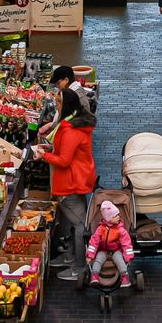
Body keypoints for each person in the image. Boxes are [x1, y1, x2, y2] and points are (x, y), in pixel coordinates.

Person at [38, 88, 97, 281]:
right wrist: (50, 149)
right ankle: (71, 257)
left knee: (80, 225)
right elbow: (66, 151)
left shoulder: (71, 130)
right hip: (78, 179)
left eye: (59, 102)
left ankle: (79, 267)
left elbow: (64, 160)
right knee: (77, 222)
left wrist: (44, 155)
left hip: (69, 182)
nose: (56, 106)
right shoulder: (74, 125)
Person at [86, 200, 135, 289]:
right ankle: (94, 275)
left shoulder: (121, 230)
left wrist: (129, 258)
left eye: (118, 215)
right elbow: (94, 242)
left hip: (116, 251)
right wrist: (90, 255)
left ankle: (124, 276)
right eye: (115, 216)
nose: (119, 217)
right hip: (103, 251)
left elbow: (127, 244)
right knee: (98, 260)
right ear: (109, 218)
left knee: (120, 261)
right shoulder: (100, 229)